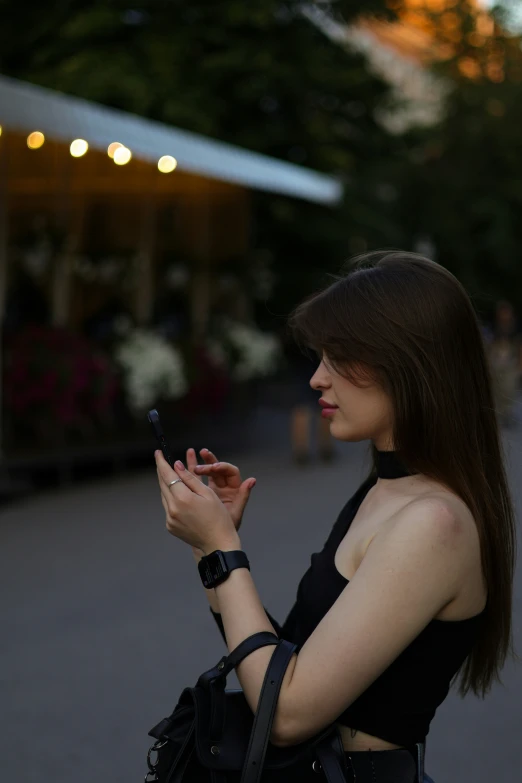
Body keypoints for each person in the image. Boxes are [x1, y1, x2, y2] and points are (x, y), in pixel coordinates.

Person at [155, 251, 517, 782]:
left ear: (409, 362)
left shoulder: (435, 522)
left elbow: (286, 712)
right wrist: (214, 543)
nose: (317, 379)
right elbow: (283, 665)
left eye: (341, 356)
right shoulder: (386, 489)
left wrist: (220, 550)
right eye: (320, 356)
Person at [486, 300, 522, 428]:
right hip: (496, 362)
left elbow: (519, 346)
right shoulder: (493, 326)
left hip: (509, 363)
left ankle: (506, 413)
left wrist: (519, 364)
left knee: (508, 388)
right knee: (497, 388)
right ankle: (499, 414)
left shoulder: (515, 328)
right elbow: (489, 345)